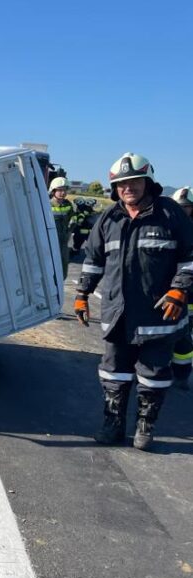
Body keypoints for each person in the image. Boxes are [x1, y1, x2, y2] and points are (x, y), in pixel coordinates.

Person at [74, 153, 193, 450]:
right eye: (123, 184)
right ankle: (113, 425)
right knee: (114, 372)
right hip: (118, 313)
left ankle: (145, 427)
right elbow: (93, 261)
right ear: (116, 187)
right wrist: (82, 295)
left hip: (159, 315)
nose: (129, 188)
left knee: (152, 376)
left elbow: (189, 258)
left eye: (135, 182)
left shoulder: (170, 214)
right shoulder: (109, 218)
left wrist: (180, 289)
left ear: (147, 182)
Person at [169, 187, 193, 389]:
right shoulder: (169, 225)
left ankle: (181, 374)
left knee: (183, 337)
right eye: (180, 206)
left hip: (190, 294)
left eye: (186, 207)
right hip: (170, 289)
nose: (183, 210)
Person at [48, 176, 74, 281]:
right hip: (50, 241)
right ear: (53, 191)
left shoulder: (68, 204)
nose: (63, 193)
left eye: (65, 190)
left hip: (63, 241)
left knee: (63, 266)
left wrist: (74, 222)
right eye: (60, 190)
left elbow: (73, 217)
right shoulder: (47, 205)